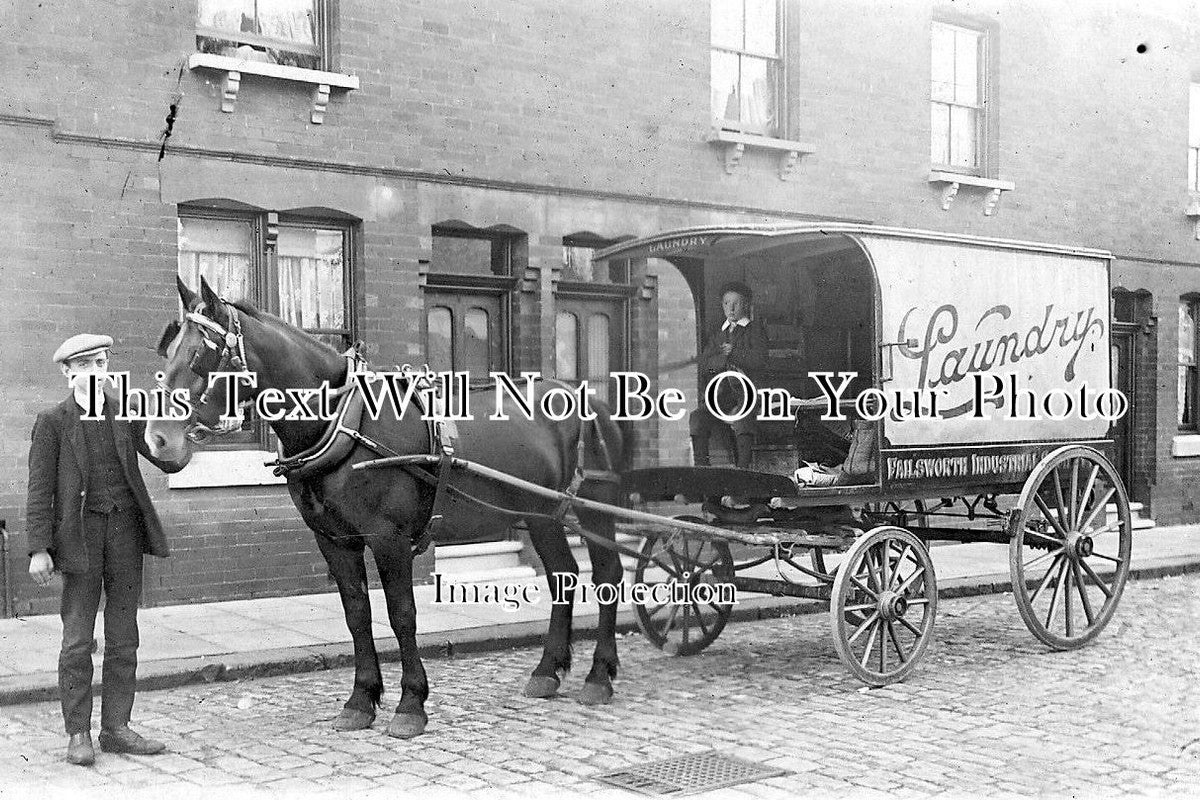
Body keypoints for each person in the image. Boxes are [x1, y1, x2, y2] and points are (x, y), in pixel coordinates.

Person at [26, 334, 189, 766]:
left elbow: (164, 453)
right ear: (68, 373)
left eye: (102, 362)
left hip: (125, 535)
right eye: (86, 364)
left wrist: (185, 438)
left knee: (124, 636)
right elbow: (40, 490)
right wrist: (39, 548)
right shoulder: (53, 421)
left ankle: (116, 727)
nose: (96, 371)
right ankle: (78, 733)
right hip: (80, 541)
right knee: (77, 640)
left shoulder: (124, 411)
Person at [689, 281, 770, 469]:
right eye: (726, 303)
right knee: (698, 417)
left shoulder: (755, 330)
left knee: (742, 419)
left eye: (737, 303)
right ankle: (701, 471)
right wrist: (721, 361)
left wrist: (734, 353)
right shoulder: (718, 334)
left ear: (746, 305)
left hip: (748, 392)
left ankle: (742, 471)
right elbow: (706, 367)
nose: (731, 308)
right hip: (723, 394)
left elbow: (759, 361)